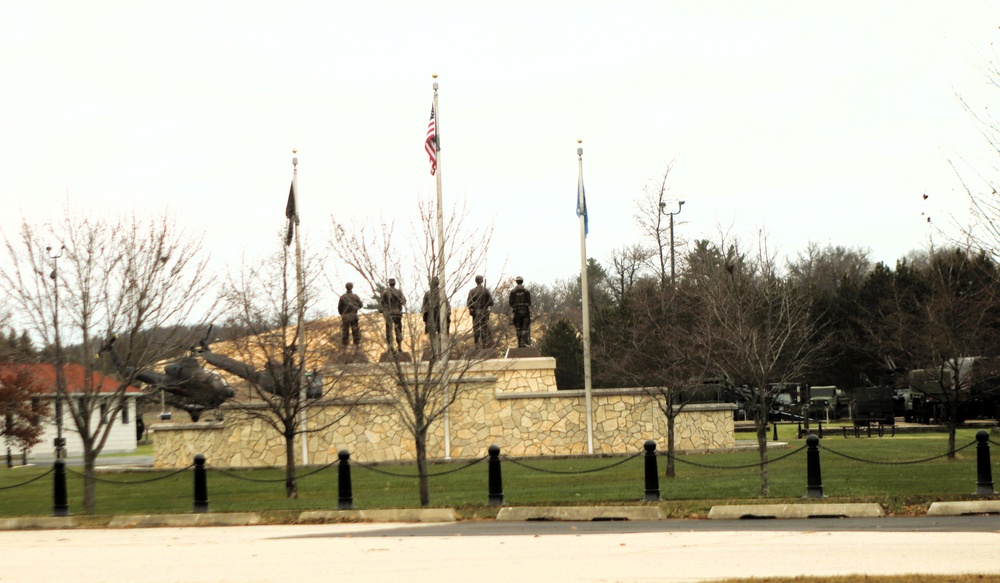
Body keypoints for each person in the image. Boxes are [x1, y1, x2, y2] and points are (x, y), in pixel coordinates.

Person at [380, 278, 406, 352]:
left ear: (389, 283)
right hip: (397, 313)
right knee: (398, 330)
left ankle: (390, 347)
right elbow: (404, 301)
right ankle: (399, 346)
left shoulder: (385, 292)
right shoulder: (399, 292)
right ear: (395, 283)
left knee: (389, 330)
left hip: (389, 314)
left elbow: (383, 304)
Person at [467, 275, 493, 348]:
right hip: (484, 312)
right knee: (484, 328)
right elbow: (491, 302)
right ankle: (484, 344)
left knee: (476, 328)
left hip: (476, 312)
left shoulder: (472, 291)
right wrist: (486, 304)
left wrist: (472, 309)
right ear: (481, 281)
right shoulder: (486, 290)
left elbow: (469, 303)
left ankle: (476, 344)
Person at [509, 276, 532, 347]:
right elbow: (529, 302)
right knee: (524, 327)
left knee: (518, 328)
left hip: (516, 312)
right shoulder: (526, 291)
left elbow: (510, 302)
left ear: (516, 282)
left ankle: (520, 342)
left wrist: (515, 306)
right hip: (525, 311)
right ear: (522, 281)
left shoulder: (513, 291)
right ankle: (522, 342)